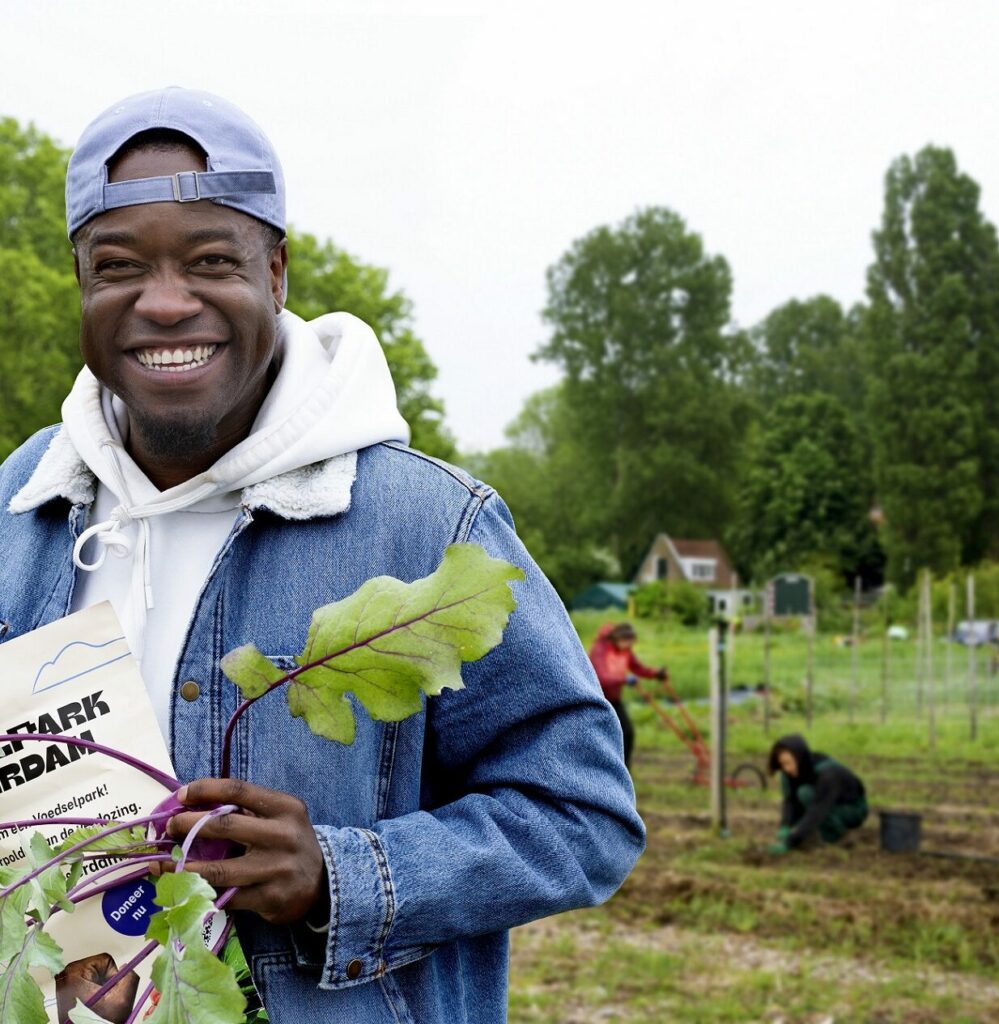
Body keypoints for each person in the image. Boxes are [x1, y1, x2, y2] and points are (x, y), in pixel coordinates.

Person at [0, 87, 645, 1023]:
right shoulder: (18, 510)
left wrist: (343, 878)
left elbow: (583, 817)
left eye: (212, 261)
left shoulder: (428, 528)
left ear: (276, 272)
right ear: (83, 286)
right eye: (119, 266)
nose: (167, 302)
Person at [766, 734, 868, 854]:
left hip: (851, 808)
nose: (786, 768)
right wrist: (786, 825)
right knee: (803, 794)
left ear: (799, 757)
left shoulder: (828, 773)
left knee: (805, 793)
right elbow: (790, 799)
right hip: (824, 804)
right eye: (782, 764)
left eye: (788, 763)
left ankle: (835, 836)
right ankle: (813, 832)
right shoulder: (789, 772)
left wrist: (791, 841)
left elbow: (818, 809)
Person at [588, 622, 667, 769]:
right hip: (598, 700)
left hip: (615, 700)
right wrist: (624, 679)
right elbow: (601, 677)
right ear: (619, 639)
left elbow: (637, 667)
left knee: (627, 733)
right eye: (628, 642)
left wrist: (656, 674)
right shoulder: (600, 650)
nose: (630, 647)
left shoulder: (626, 651)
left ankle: (624, 768)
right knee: (604, 737)